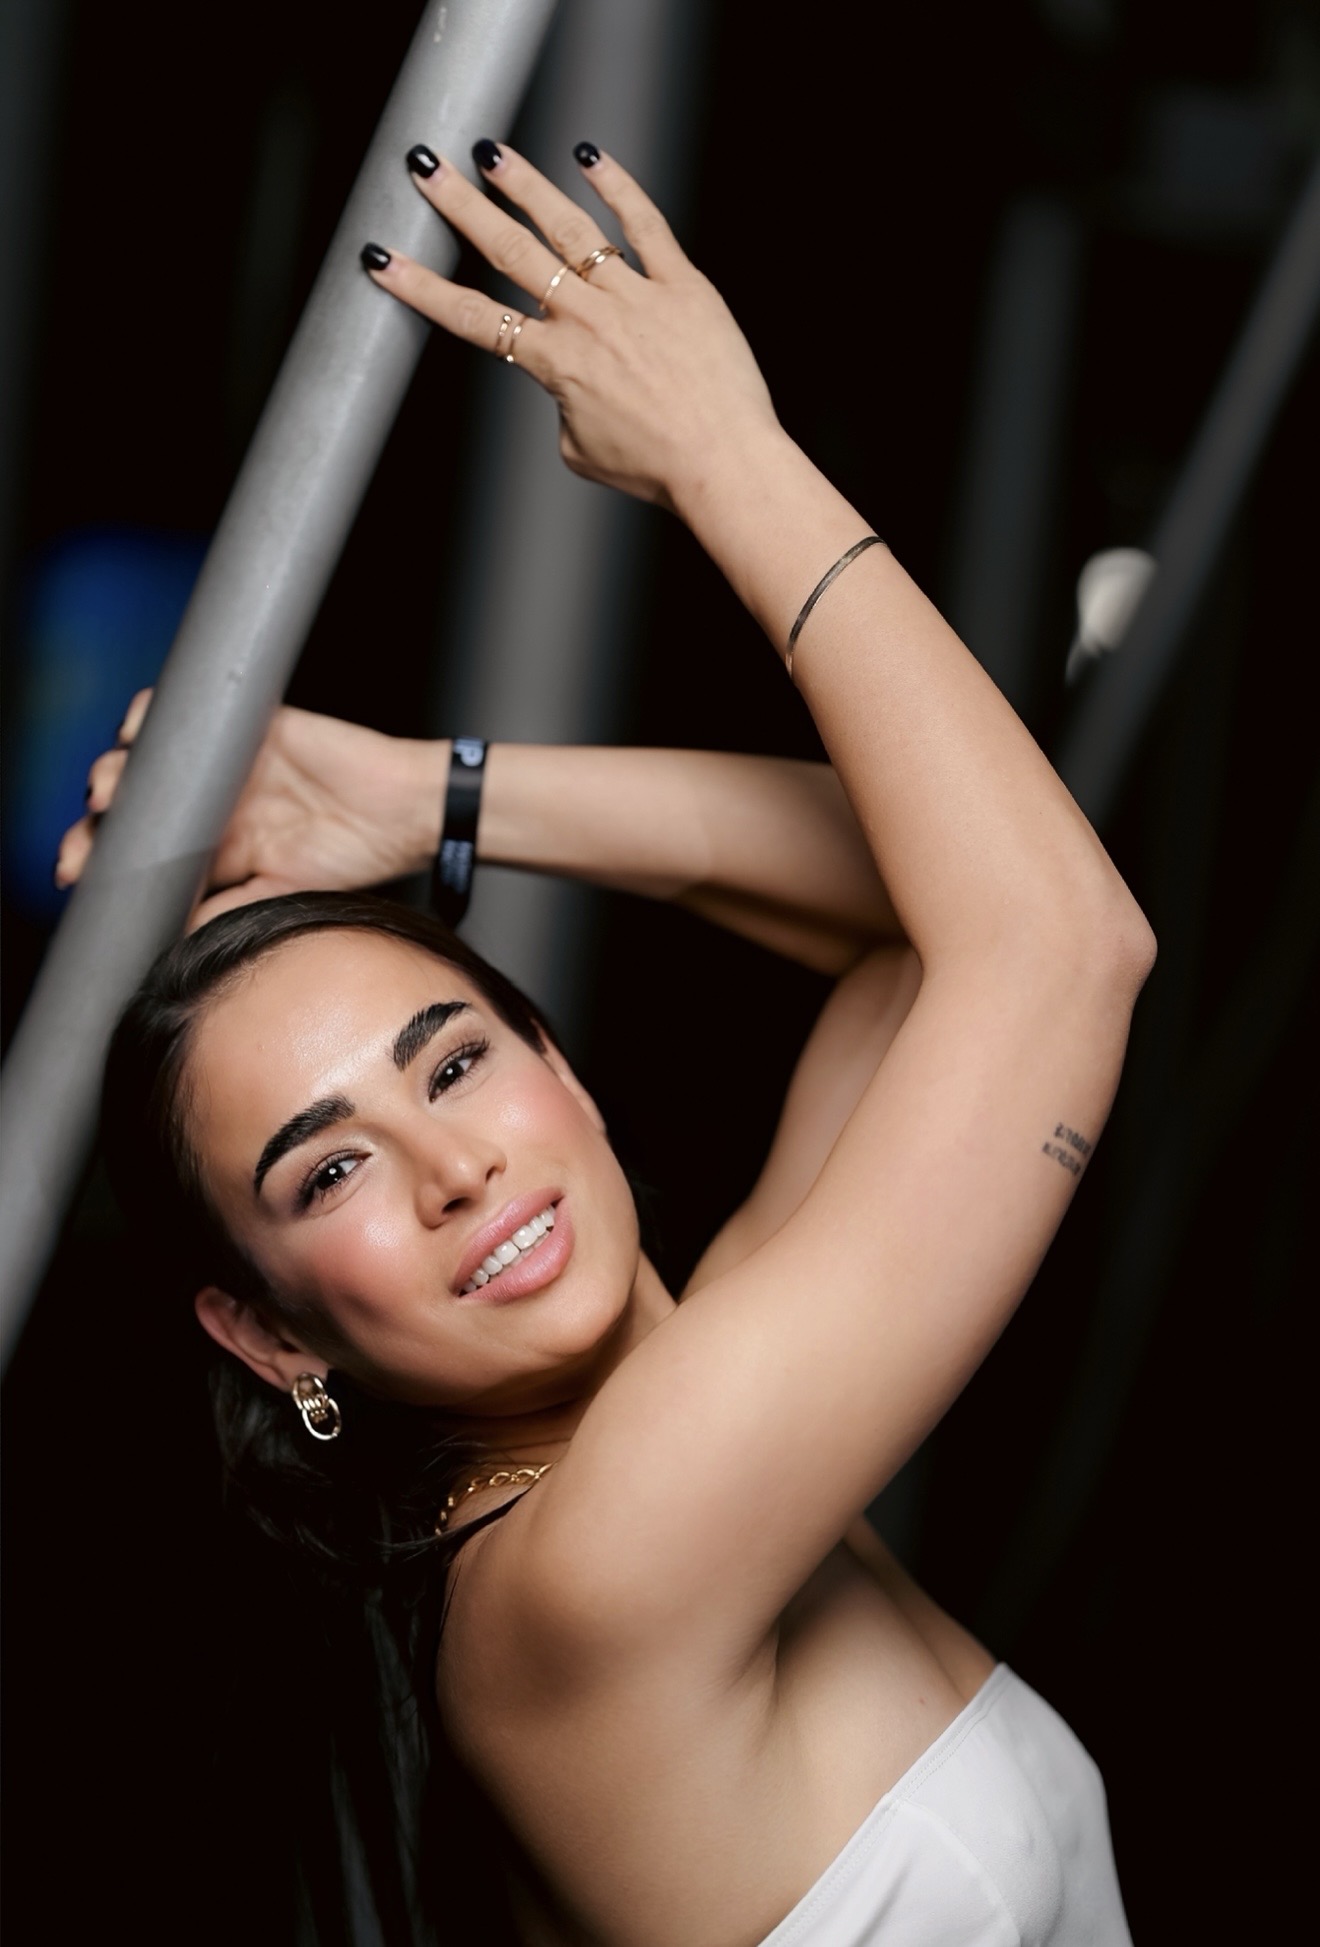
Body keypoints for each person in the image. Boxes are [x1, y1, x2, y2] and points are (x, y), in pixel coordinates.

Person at [61, 139, 1153, 1944]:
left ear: (560, 1067)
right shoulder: (592, 1568)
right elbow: (1059, 944)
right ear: (268, 1331)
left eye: (453, 1061)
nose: (452, 1166)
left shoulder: (695, 1397)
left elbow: (920, 913)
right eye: (328, 1170)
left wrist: (431, 796)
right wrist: (725, 454)